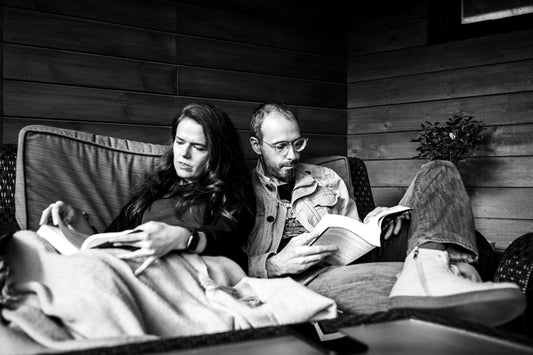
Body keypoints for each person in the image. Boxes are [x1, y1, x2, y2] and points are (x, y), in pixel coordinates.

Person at [244, 102, 526, 326]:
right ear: (257, 146)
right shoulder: (241, 191)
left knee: (439, 169)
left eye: (298, 143)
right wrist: (275, 265)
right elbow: (228, 264)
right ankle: (439, 271)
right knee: (425, 278)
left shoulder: (326, 178)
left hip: (352, 260)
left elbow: (350, 230)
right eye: (280, 146)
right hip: (309, 280)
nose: (292, 155)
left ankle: (430, 266)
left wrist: (381, 220)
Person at [40, 102, 254, 271]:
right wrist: (76, 219)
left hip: (171, 271)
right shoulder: (155, 189)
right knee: (27, 241)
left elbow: (226, 239)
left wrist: (183, 237)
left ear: (218, 154)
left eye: (198, 147)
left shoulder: (231, 191)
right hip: (122, 264)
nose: (184, 154)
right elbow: (109, 240)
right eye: (180, 142)